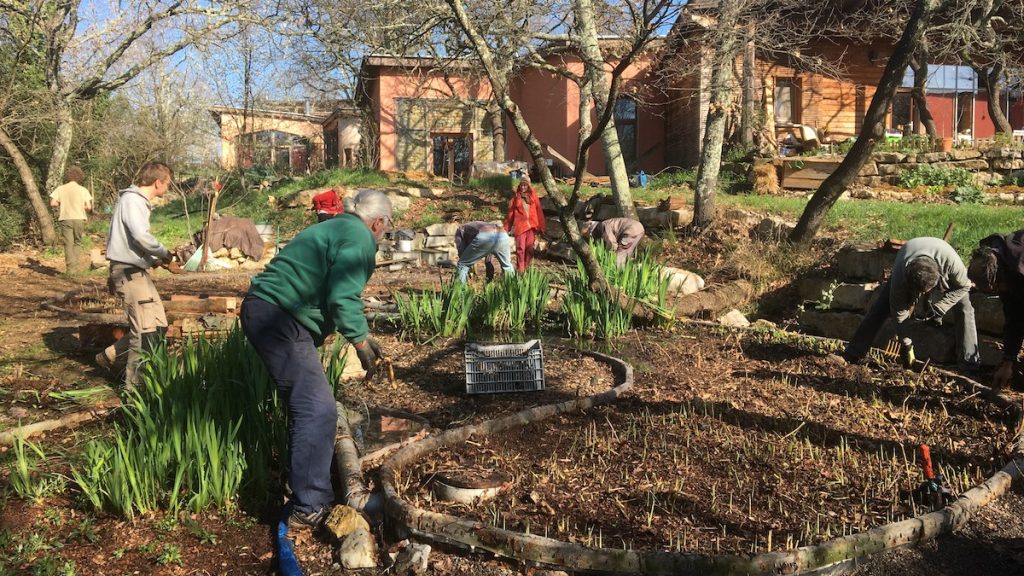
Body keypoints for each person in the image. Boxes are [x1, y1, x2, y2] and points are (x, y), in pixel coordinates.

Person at [240, 189, 391, 531]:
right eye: (386, 227)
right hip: (278, 317)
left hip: (271, 312)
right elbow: (343, 296)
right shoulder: (360, 238)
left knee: (308, 404)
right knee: (317, 408)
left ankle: (306, 487)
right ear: (378, 222)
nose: (384, 234)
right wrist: (361, 340)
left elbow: (321, 285)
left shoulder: (336, 228)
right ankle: (309, 505)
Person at [843, 237, 979, 370]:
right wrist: (906, 344)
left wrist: (941, 307)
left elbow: (965, 286)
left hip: (942, 257)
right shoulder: (901, 275)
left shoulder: (952, 264)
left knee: (965, 307)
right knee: (881, 306)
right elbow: (899, 313)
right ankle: (853, 352)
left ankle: (969, 363)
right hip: (908, 255)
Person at [101, 162, 175, 388]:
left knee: (159, 326)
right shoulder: (133, 200)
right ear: (157, 182)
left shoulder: (135, 201)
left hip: (137, 270)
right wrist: (165, 253)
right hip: (128, 272)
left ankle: (109, 356)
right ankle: (135, 393)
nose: (168, 187)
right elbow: (141, 236)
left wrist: (154, 260)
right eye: (168, 183)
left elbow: (132, 242)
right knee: (144, 332)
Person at [968, 230, 1024, 388]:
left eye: (996, 289)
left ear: (1000, 281)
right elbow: (1015, 319)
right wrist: (1008, 361)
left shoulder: (1019, 265)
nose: (999, 292)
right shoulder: (1003, 267)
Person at [49, 166, 93, 274]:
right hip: (79, 218)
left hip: (65, 218)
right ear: (80, 177)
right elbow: (89, 207)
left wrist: (61, 203)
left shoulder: (61, 188)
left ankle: (70, 269)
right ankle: (75, 266)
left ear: (68, 176)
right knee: (77, 242)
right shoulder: (83, 190)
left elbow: (53, 203)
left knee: (68, 243)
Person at [504, 175, 545, 272]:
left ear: (528, 186)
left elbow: (539, 211)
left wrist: (541, 226)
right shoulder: (516, 198)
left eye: (525, 185)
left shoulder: (533, 196)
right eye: (522, 185)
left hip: (532, 226)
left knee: (529, 248)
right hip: (520, 227)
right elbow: (511, 214)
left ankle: (527, 268)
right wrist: (506, 228)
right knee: (520, 248)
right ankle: (520, 269)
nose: (523, 187)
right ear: (519, 186)